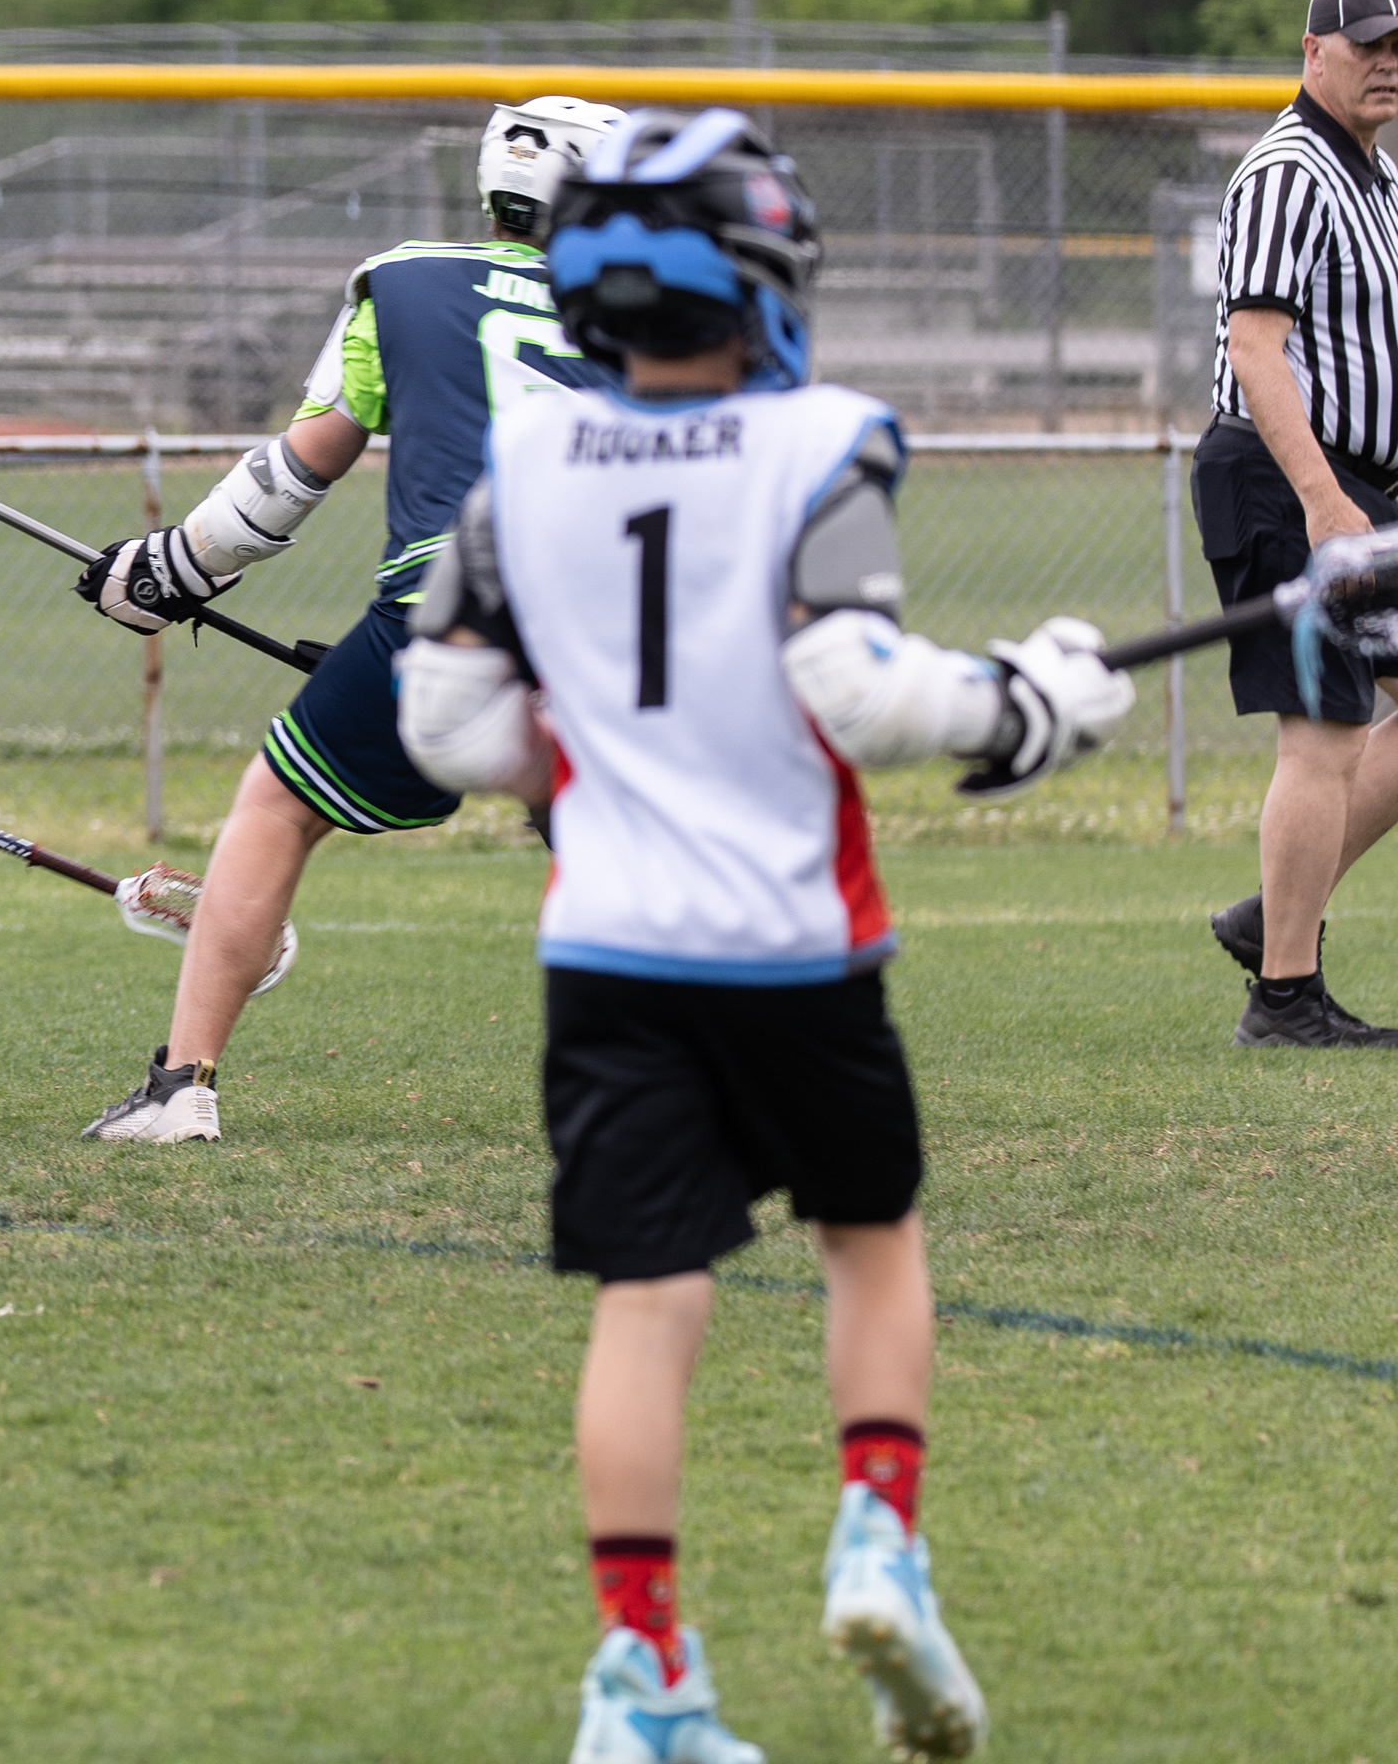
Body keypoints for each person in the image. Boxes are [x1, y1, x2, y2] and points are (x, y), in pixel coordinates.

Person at [393, 107, 1131, 1763]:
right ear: (759, 283)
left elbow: (445, 723)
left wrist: (581, 765)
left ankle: (645, 1674)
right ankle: (878, 1540)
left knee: (646, 1299)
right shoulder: (821, 443)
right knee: (868, 1237)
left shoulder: (527, 466)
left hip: (607, 953)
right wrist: (1028, 703)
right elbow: (855, 689)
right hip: (795, 945)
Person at [70, 98, 626, 1142]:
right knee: (618, 840)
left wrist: (173, 568)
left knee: (280, 807)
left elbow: (298, 470)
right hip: (615, 620)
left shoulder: (406, 278)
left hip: (449, 603)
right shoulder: (662, 305)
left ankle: (182, 1087)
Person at [1193, 0, 1398, 1048]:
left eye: (1396, 47)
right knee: (1323, 731)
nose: (1385, 63)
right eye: (1366, 44)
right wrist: (1321, 499)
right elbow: (1255, 347)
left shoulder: (1379, 178)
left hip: (1356, 487)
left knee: (1349, 727)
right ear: (1313, 52)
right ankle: (1284, 998)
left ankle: (1273, 914)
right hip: (1288, 481)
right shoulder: (1290, 171)